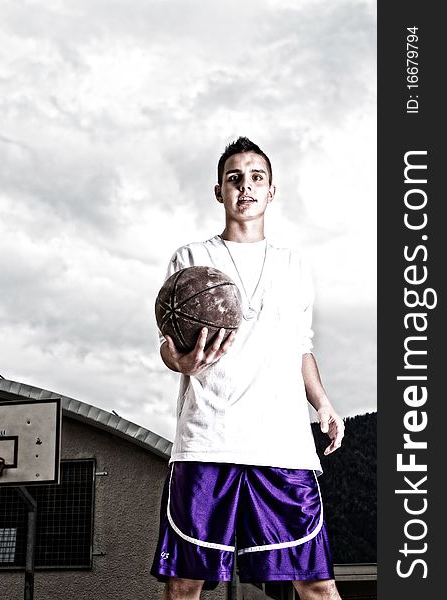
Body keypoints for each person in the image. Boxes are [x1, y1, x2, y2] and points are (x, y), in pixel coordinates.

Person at [151, 137, 345, 600]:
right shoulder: (191, 259)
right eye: (234, 178)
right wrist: (181, 360)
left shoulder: (293, 265)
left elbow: (301, 347)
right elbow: (167, 346)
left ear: (272, 191)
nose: (246, 187)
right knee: (186, 583)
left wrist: (323, 403)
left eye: (257, 177)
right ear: (219, 191)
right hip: (207, 439)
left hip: (280, 444)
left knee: (317, 583)